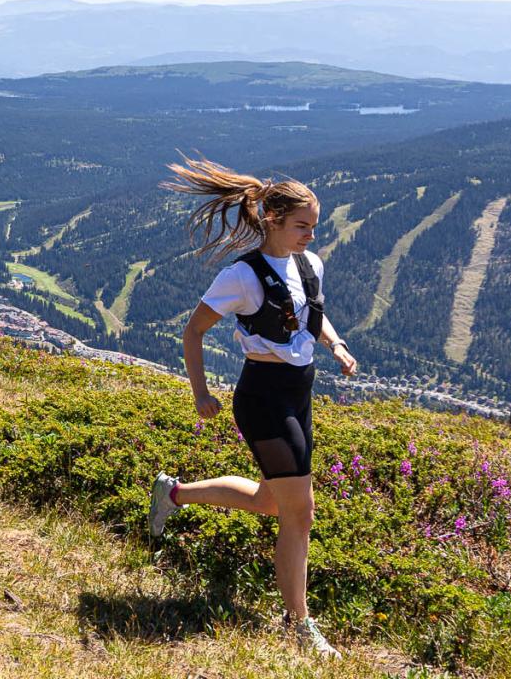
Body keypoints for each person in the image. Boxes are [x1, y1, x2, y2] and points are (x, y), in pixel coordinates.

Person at [148, 157, 358, 659]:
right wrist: (200, 393)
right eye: (302, 226)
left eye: (314, 225)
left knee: (272, 501)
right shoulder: (241, 276)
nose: (311, 234)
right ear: (273, 221)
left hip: (299, 392)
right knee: (300, 513)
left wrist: (336, 345)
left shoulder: (311, 265)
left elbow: (311, 314)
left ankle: (172, 494)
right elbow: (194, 331)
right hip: (263, 398)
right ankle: (299, 624)